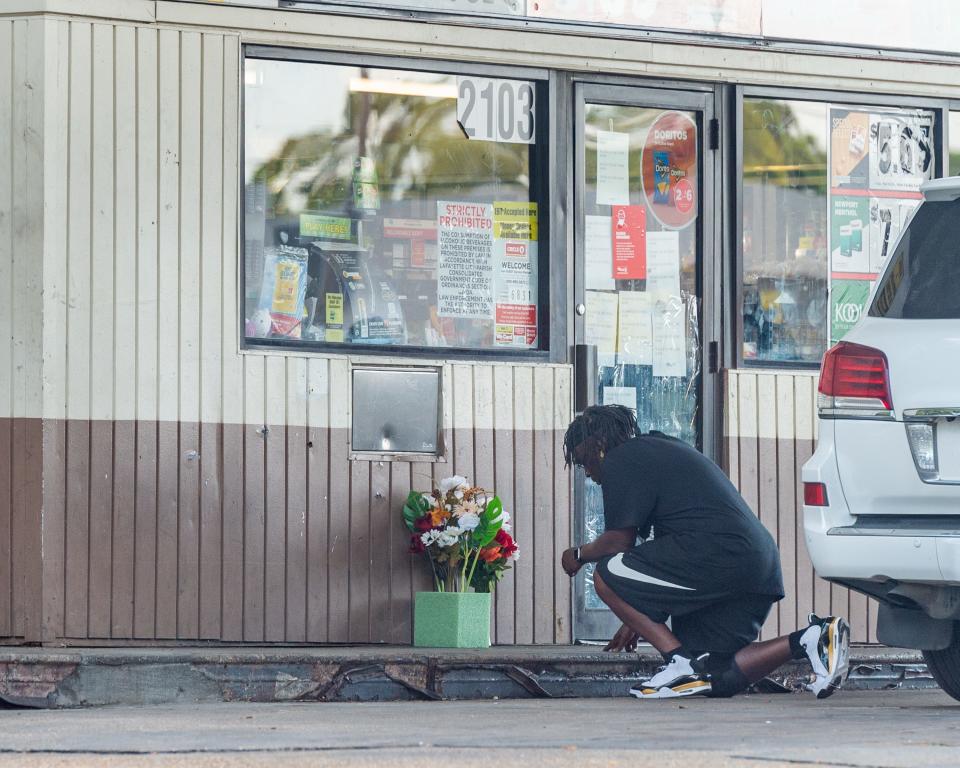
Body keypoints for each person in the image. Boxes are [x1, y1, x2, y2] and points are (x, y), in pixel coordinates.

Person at [561, 404, 850, 700]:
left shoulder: (621, 458)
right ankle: (811, 638)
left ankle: (679, 663)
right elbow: (666, 558)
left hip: (720, 555)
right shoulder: (660, 450)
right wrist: (635, 616)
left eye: (585, 462)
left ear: (598, 445)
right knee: (714, 673)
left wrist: (578, 554)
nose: (589, 474)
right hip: (754, 564)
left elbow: (617, 544)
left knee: (606, 574)